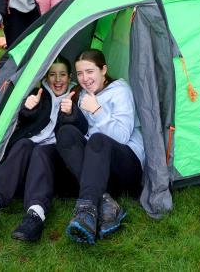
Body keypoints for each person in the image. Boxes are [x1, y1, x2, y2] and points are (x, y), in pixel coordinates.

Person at [0, 56, 88, 242]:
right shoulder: (38, 93)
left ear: (70, 77)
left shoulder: (77, 95)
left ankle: (35, 215)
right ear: (46, 77)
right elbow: (22, 122)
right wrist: (28, 109)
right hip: (32, 146)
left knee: (41, 152)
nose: (58, 80)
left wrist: (72, 113)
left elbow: (82, 129)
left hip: (56, 151)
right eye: (53, 74)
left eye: (62, 74)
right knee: (23, 144)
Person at [56, 49, 144, 244]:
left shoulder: (121, 91)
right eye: (80, 73)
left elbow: (121, 136)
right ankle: (104, 201)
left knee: (98, 139)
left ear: (103, 70)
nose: (85, 78)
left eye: (90, 71)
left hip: (127, 166)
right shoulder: (84, 95)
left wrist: (97, 110)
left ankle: (86, 210)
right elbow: (84, 131)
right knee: (66, 133)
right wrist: (72, 114)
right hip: (99, 171)